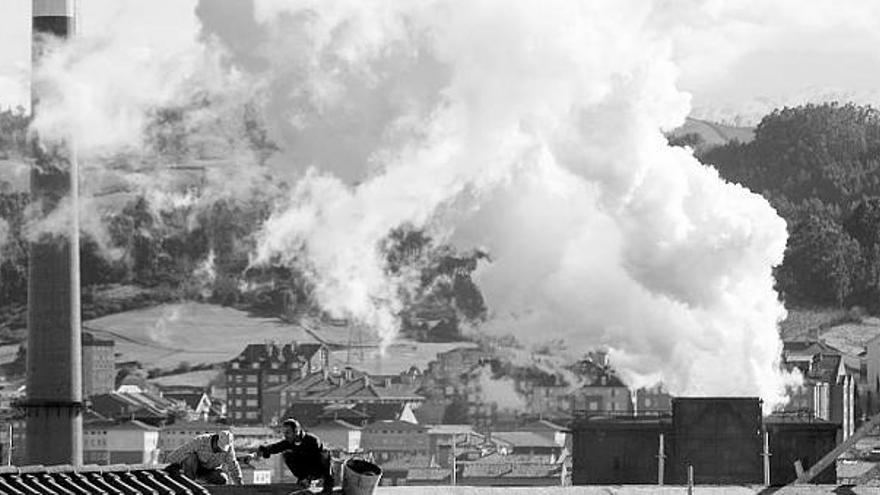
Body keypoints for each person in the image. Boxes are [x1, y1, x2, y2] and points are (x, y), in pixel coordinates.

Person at [254, 418, 334, 493]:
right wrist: (263, 450)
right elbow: (276, 447)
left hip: (318, 468)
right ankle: (303, 479)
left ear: (296, 431)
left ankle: (319, 482)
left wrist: (325, 484)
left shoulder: (312, 441)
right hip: (306, 469)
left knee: (324, 454)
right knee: (287, 454)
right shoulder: (289, 441)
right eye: (284, 433)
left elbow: (322, 461)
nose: (285, 435)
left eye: (288, 433)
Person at [164, 430, 243, 485]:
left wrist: (239, 482)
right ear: (216, 440)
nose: (220, 450)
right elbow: (182, 451)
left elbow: (233, 465)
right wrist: (168, 464)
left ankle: (202, 484)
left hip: (210, 470)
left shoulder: (228, 449)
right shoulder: (200, 441)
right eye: (219, 447)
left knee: (223, 479)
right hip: (194, 468)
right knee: (190, 458)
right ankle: (190, 484)